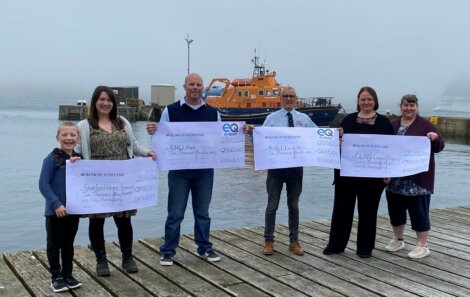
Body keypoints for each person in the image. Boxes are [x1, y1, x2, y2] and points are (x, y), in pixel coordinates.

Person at [75, 86, 156, 276]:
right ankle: (101, 261)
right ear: (95, 102)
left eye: (109, 100)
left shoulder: (122, 122)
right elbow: (78, 149)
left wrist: (148, 153)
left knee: (124, 221)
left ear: (113, 103)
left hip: (122, 180)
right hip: (97, 181)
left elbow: (133, 145)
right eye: (101, 99)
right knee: (97, 223)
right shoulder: (84, 125)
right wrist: (71, 159)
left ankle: (127, 258)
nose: (105, 103)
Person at [147, 73, 221, 266]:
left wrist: (241, 131)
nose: (195, 87)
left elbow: (221, 138)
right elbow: (162, 137)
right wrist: (154, 131)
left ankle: (204, 247)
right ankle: (168, 251)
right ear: (185, 87)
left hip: (205, 170)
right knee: (175, 213)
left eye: (198, 85)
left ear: (203, 88)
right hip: (179, 170)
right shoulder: (170, 111)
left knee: (202, 212)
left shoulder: (213, 113)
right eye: (191, 84)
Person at [323, 86, 395, 258]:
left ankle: (365, 247)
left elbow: (391, 150)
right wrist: (336, 140)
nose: (366, 102)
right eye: (363, 99)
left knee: (368, 213)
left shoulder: (384, 122)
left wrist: (389, 173)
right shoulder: (347, 120)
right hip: (346, 176)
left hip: (372, 178)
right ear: (358, 101)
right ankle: (336, 244)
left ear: (375, 101)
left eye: (369, 99)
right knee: (341, 211)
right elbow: (334, 144)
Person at [244, 86, 317, 256]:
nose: (289, 99)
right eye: (286, 96)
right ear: (281, 98)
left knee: (294, 206)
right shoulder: (271, 118)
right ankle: (268, 241)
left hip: (296, 168)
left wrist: (335, 134)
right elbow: (260, 141)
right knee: (272, 206)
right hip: (275, 169)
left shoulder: (304, 119)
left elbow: (318, 136)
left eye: (292, 96)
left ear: (296, 98)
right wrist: (250, 133)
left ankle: (294, 241)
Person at [384, 94, 444, 258]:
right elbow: (385, 149)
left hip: (418, 179)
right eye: (405, 105)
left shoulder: (426, 125)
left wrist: (434, 138)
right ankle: (398, 239)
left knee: (419, 211)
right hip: (395, 179)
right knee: (395, 210)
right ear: (400, 106)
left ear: (417, 107)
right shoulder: (393, 125)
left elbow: (440, 146)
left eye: (412, 105)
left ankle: (422, 245)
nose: (408, 108)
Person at [39, 122, 83, 293]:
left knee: (68, 244)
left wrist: (77, 165)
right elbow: (43, 184)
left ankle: (68, 274)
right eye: (64, 135)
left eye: (73, 135)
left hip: (73, 210)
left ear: (78, 138)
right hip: (54, 212)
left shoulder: (79, 160)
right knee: (53, 244)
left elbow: (86, 181)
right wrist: (56, 204)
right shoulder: (51, 158)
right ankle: (56, 277)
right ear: (58, 138)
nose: (69, 138)